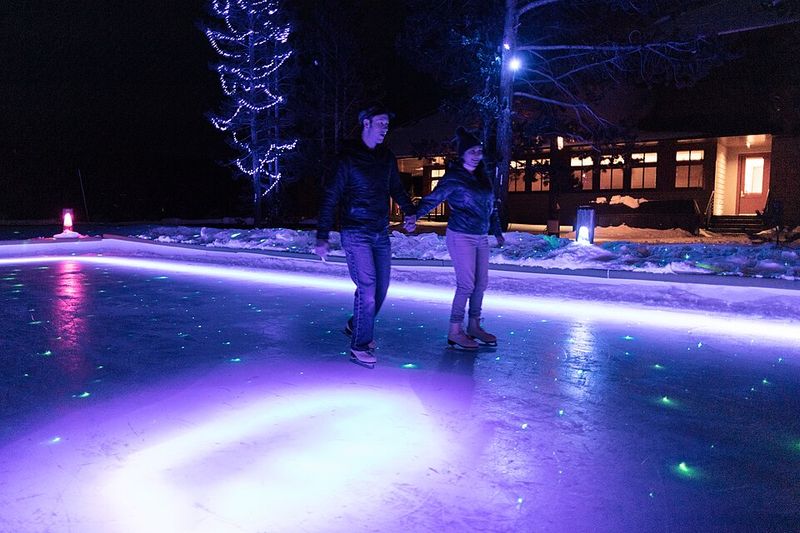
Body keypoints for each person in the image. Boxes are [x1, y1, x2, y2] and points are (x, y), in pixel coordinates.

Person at [315, 105, 416, 367]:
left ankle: (355, 325)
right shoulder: (347, 158)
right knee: (368, 290)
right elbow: (330, 197)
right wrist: (322, 236)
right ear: (366, 124)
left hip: (380, 232)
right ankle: (359, 345)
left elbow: (396, 187)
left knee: (381, 290)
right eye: (380, 123)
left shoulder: (386, 157)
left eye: (387, 124)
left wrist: (409, 211)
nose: (385, 128)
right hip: (355, 232)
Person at [405, 126, 505, 350]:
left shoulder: (482, 176)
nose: (477, 154)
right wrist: (414, 215)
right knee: (466, 284)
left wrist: (496, 231)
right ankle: (455, 331)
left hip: (480, 236)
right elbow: (433, 199)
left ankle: (474, 326)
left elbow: (491, 207)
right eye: (472, 151)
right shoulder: (454, 177)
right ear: (462, 154)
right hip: (461, 235)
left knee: (481, 283)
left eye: (479, 150)